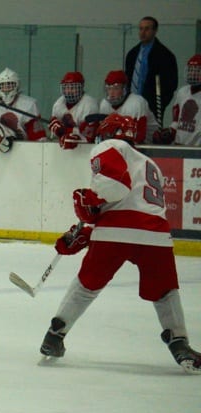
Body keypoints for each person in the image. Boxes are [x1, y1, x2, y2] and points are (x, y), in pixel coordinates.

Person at [39, 113, 201, 374]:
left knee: (86, 285)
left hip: (115, 232)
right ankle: (180, 343)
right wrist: (90, 227)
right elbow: (133, 204)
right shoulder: (151, 163)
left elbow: (115, 189)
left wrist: (88, 200)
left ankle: (54, 336)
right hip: (155, 235)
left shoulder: (109, 146)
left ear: (107, 133)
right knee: (165, 291)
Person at [124, 16, 178, 125]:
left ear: (155, 31)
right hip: (131, 103)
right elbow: (127, 79)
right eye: (141, 29)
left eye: (147, 29)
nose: (143, 32)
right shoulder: (132, 54)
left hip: (152, 106)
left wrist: (158, 104)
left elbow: (171, 84)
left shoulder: (165, 55)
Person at [0, 68, 46, 153]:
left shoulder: (29, 104)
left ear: (17, 85)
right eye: (2, 85)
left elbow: (38, 137)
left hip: (24, 150)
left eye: (10, 84)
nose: (6, 88)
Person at [153, 54, 201, 146]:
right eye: (191, 70)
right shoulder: (182, 92)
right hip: (179, 145)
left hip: (197, 149)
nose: (193, 74)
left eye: (197, 70)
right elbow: (176, 121)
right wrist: (169, 132)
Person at [99, 70, 158, 143]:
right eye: (109, 88)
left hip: (147, 146)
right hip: (119, 144)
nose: (111, 93)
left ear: (124, 89)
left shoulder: (137, 102)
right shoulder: (104, 104)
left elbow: (139, 137)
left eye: (116, 88)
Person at [49, 71, 99, 149]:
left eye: (73, 88)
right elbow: (53, 137)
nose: (69, 91)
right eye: (66, 88)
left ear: (81, 87)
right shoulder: (58, 104)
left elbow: (88, 138)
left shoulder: (90, 105)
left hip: (84, 151)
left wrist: (66, 131)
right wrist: (57, 130)